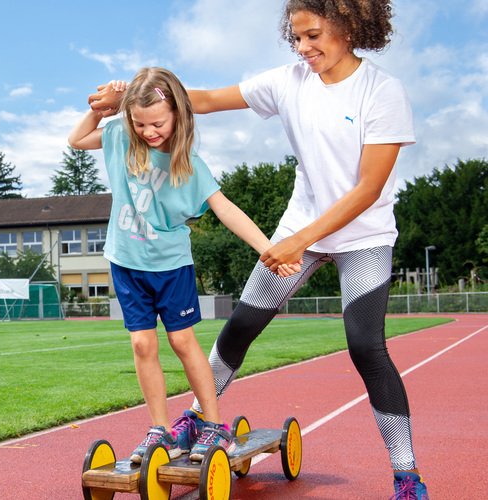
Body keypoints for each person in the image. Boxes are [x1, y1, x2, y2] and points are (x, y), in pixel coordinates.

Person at [90, 1, 425, 498]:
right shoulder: (288, 81)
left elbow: (368, 189)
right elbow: (197, 100)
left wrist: (297, 241)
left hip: (363, 236)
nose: (303, 48)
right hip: (300, 230)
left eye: (312, 35)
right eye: (295, 37)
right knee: (242, 325)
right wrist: (136, 90)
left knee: (365, 346)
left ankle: (406, 473)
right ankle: (197, 420)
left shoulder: (383, 90)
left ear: (350, 25)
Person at [69, 67, 299, 464]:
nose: (148, 131)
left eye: (156, 122)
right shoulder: (121, 136)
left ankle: (213, 425)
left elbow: (226, 209)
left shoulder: (190, 164)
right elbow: (76, 140)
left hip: (171, 266)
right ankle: (159, 429)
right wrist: (102, 108)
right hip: (126, 261)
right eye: (139, 123)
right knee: (142, 344)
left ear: (177, 114)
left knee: (181, 341)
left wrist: (269, 249)